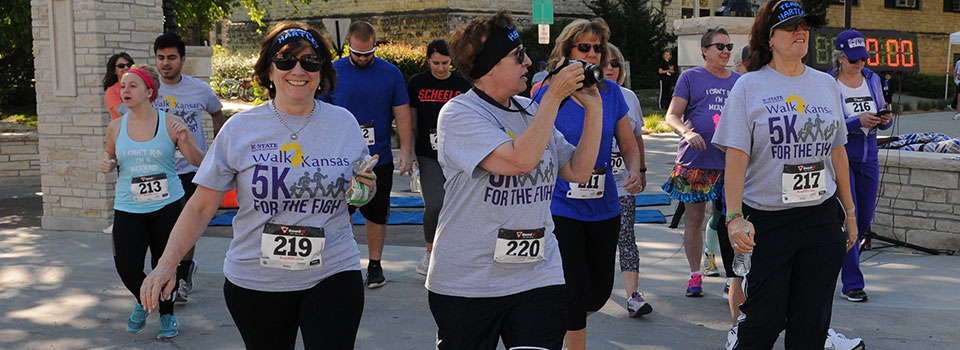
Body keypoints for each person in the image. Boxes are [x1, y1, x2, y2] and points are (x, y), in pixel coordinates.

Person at [139, 22, 377, 349]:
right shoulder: (241, 129)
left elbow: (360, 189)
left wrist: (365, 190)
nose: (298, 70)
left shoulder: (343, 124)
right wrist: (166, 265)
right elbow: (200, 206)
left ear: (322, 71)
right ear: (268, 70)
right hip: (256, 280)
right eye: (286, 61)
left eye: (310, 62)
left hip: (333, 271)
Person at [427, 10, 602, 349]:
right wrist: (553, 96)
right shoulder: (459, 114)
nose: (527, 63)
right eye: (517, 55)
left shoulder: (530, 110)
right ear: (490, 67)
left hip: (538, 273)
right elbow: (520, 160)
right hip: (469, 280)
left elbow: (578, 172)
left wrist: (594, 109)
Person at [712, 1, 860, 349]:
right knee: (764, 321)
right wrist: (733, 218)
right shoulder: (749, 87)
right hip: (767, 222)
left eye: (805, 26)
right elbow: (735, 159)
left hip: (820, 219)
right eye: (791, 26)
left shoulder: (826, 85)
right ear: (769, 37)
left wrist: (850, 212)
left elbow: (837, 152)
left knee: (812, 323)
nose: (801, 32)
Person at [535, 19, 645, 350]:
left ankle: (564, 320)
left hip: (604, 207)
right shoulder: (549, 92)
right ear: (566, 51)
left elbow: (627, 141)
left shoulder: (611, 93)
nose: (593, 54)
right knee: (573, 291)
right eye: (584, 47)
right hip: (561, 206)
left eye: (598, 48)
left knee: (596, 294)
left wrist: (635, 169)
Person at [99, 64, 204, 340]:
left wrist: (184, 139)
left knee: (165, 264)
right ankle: (145, 300)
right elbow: (111, 155)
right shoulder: (115, 126)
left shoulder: (170, 123)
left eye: (132, 86)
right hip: (128, 206)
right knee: (127, 265)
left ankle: (167, 316)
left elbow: (198, 161)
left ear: (149, 91)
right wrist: (107, 162)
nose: (125, 91)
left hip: (167, 205)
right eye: (123, 86)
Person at [130, 33, 226, 302]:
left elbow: (217, 114)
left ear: (183, 59)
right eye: (160, 58)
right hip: (156, 170)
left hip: (190, 170)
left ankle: (182, 276)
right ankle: (162, 274)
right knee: (157, 227)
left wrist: (218, 147)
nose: (165, 63)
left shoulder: (199, 89)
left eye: (171, 57)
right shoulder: (147, 91)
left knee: (185, 223)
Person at [321, 20, 414, 288]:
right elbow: (321, 113)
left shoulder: (391, 74)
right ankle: (341, 262)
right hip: (340, 160)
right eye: (357, 53)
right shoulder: (334, 72)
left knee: (376, 214)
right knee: (339, 213)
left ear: (375, 46)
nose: (362, 59)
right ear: (348, 46)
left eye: (368, 54)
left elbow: (402, 113)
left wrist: (406, 150)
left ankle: (374, 265)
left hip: (377, 159)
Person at [662, 27, 740, 298]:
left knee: (733, 220)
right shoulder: (691, 77)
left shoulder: (739, 81)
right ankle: (696, 274)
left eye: (729, 47)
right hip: (694, 161)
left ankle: (734, 278)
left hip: (730, 163)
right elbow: (672, 115)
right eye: (720, 46)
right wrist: (687, 131)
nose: (726, 51)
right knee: (694, 220)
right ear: (705, 50)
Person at [829, 29, 892, 303]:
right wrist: (857, 122)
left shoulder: (872, 78)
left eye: (863, 59)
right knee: (848, 217)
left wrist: (884, 119)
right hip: (841, 156)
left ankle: (838, 257)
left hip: (869, 156)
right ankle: (852, 282)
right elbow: (828, 125)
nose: (859, 64)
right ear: (840, 58)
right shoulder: (828, 83)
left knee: (864, 218)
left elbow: (882, 114)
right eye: (853, 60)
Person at [405, 39, 471, 276]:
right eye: (435, 63)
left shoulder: (461, 84)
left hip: (456, 155)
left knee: (458, 205)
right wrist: (409, 150)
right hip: (427, 153)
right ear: (428, 60)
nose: (440, 68)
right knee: (435, 203)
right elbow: (410, 120)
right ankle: (430, 252)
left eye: (445, 63)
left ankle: (454, 252)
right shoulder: (417, 83)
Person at [604, 42, 652, 318]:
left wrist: (641, 171)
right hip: (588, 189)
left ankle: (633, 296)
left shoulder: (629, 97)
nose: (610, 69)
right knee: (594, 243)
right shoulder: (582, 96)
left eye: (616, 64)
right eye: (606, 63)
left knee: (626, 238)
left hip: (623, 184)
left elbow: (635, 138)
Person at [103, 52, 134, 120]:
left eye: (129, 65)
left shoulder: (139, 86)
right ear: (114, 71)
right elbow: (122, 115)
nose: (126, 68)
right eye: (121, 66)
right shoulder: (111, 91)